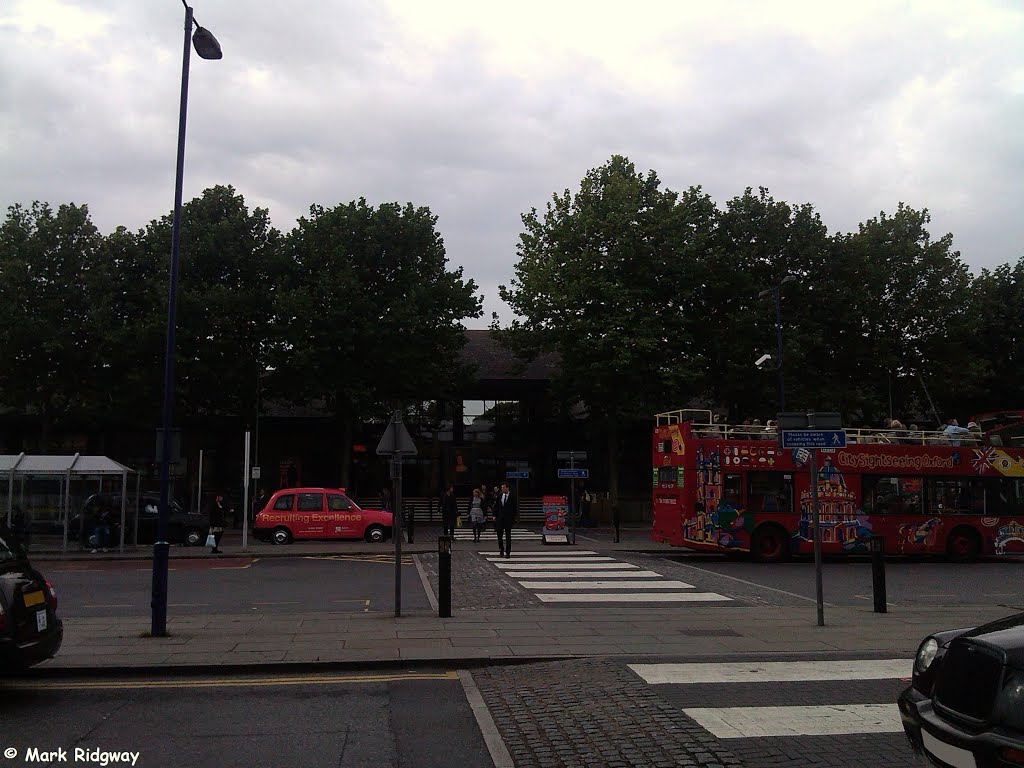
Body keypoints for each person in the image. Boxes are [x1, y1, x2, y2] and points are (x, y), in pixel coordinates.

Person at [494, 482, 516, 558]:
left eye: (503, 487)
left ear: (507, 488)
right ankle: (501, 549)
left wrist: (513, 518)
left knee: (508, 536)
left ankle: (508, 551)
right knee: (499, 535)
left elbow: (515, 508)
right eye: (502, 487)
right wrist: (495, 515)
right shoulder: (500, 496)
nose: (502, 489)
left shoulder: (512, 496)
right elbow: (497, 506)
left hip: (508, 519)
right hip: (500, 518)